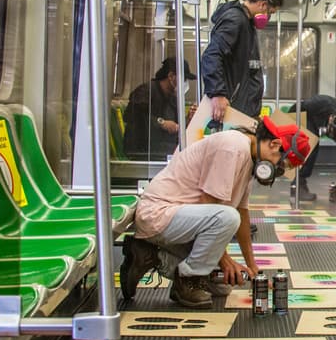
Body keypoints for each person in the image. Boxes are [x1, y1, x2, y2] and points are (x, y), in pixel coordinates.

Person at [119, 115, 310, 308]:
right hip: (160, 213)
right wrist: (225, 260)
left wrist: (252, 269)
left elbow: (243, 213)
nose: (276, 170)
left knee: (222, 286)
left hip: (183, 221)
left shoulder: (250, 159)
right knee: (228, 218)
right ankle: (186, 282)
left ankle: (149, 256)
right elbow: (208, 204)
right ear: (275, 144)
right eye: (282, 164)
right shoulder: (232, 147)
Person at [200, 0, 284, 123]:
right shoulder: (235, 20)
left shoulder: (247, 24)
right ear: (263, 5)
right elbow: (211, 55)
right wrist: (217, 94)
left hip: (242, 112)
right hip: (233, 112)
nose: (268, 18)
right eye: (270, 13)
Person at [122, 57, 195, 160]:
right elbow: (131, 116)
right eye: (183, 79)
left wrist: (187, 121)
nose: (185, 83)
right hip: (142, 149)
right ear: (171, 76)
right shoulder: (146, 91)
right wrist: (161, 123)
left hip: (163, 146)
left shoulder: (173, 98)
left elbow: (175, 127)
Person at [290, 94, 336, 202]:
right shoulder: (320, 104)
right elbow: (297, 108)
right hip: (303, 114)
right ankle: (298, 185)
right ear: (331, 119)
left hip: (319, 122)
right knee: (311, 145)